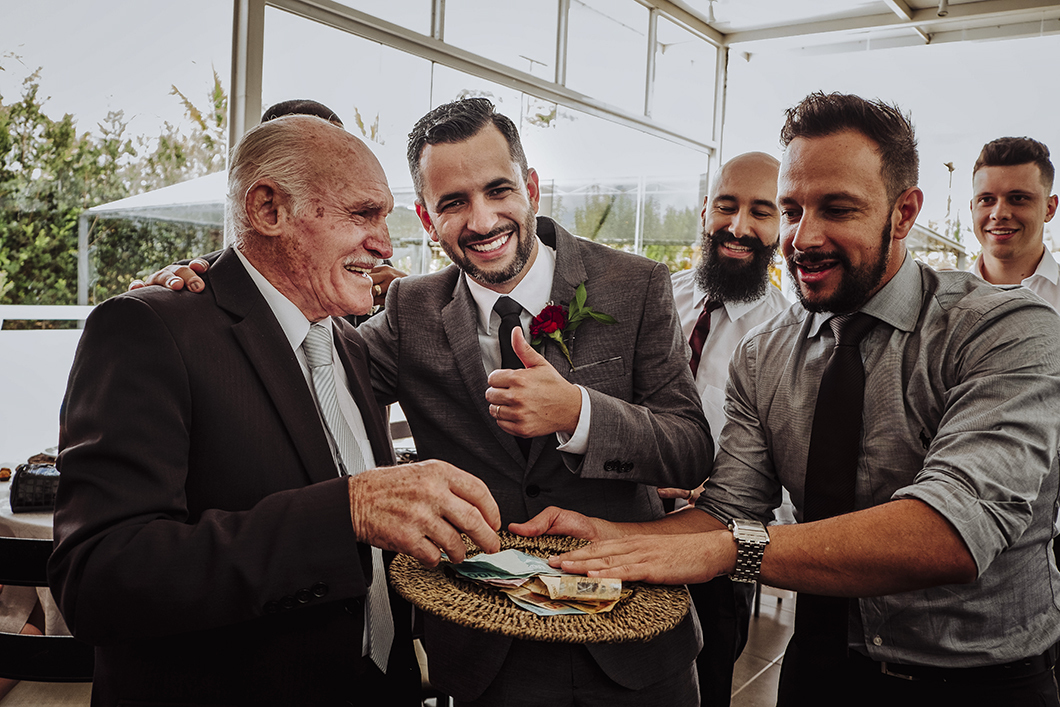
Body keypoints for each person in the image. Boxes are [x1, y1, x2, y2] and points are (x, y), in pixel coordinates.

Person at [146, 97, 711, 706]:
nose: (482, 220)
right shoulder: (410, 310)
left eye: (498, 190)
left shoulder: (636, 284)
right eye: (453, 203)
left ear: (531, 189)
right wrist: (213, 282)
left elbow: (690, 451)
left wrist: (580, 414)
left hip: (631, 642)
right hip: (485, 653)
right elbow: (301, 366)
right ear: (425, 216)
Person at [514, 92, 1060, 706]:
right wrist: (610, 535)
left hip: (980, 681)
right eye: (793, 210)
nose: (803, 237)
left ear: (904, 212)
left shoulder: (1005, 329)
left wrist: (729, 551)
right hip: (817, 667)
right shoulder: (765, 353)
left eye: (838, 209)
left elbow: (952, 531)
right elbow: (728, 510)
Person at [48, 115, 503, 706]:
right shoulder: (148, 327)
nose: (386, 244)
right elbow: (97, 581)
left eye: (385, 216)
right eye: (362, 214)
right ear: (268, 209)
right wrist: (348, 509)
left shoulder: (348, 343)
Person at [665, 151, 789, 707]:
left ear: (782, 224)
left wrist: (719, 497)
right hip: (627, 530)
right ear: (704, 211)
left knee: (702, 687)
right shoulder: (656, 300)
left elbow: (789, 474)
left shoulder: (789, 335)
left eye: (761, 212)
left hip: (716, 557)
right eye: (726, 206)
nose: (738, 227)